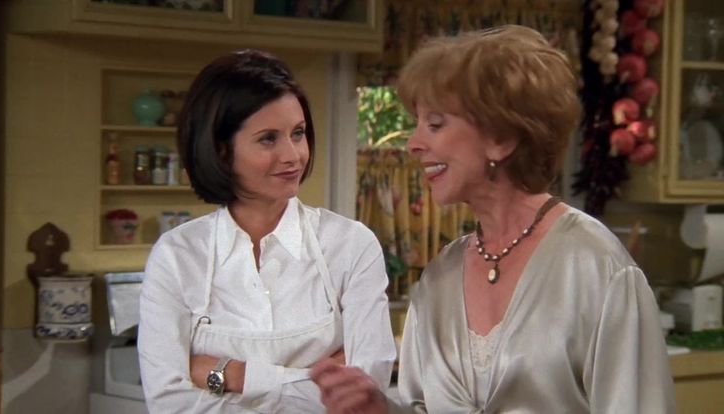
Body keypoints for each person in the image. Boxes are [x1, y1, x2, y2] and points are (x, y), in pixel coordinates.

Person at [312, 25, 675, 413]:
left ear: (500, 138)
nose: (413, 144)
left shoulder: (595, 265)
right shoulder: (438, 279)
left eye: (435, 124)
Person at [138, 49, 396, 413]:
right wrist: (311, 378)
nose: (293, 156)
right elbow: (169, 403)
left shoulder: (351, 245)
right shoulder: (177, 255)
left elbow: (367, 389)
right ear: (222, 150)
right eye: (268, 139)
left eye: (298, 133)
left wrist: (232, 375)